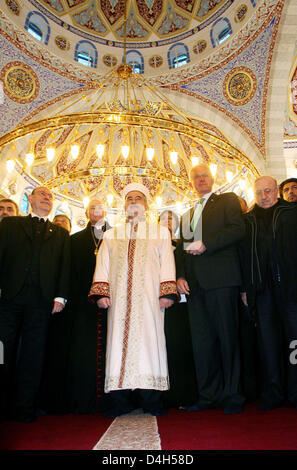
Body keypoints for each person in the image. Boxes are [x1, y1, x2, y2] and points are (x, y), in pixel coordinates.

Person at [89, 183, 178, 417]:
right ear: (125, 204)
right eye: (130, 198)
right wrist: (101, 293)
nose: (134, 201)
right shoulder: (110, 234)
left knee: (151, 345)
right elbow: (103, 265)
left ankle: (151, 400)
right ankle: (120, 401)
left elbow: (168, 262)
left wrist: (167, 292)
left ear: (146, 204)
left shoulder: (160, 232)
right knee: (117, 346)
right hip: (118, 302)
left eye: (139, 198)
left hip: (150, 300)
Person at [175, 164, 245, 414]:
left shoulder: (227, 200)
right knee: (202, 344)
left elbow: (238, 229)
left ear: (212, 179)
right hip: (195, 287)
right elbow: (183, 249)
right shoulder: (185, 215)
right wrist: (180, 275)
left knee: (228, 339)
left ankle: (232, 395)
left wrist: (207, 243)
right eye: (196, 177)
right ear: (191, 182)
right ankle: (208, 396)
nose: (201, 179)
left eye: (204, 175)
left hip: (222, 280)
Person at [0, 186, 70, 422]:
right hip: (8, 298)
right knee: (2, 351)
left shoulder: (60, 234)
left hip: (41, 302)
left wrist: (60, 296)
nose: (47, 198)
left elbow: (64, 266)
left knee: (33, 355)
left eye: (50, 196)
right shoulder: (10, 225)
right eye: (42, 194)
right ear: (29, 199)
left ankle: (24, 407)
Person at [41, 199, 110, 414]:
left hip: (111, 303)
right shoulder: (75, 239)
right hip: (82, 305)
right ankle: (83, 400)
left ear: (105, 211)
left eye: (99, 208)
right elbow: (68, 272)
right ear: (87, 213)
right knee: (82, 351)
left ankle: (111, 401)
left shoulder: (117, 236)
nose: (95, 211)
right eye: (92, 208)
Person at [240, 176, 297, 410]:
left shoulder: (291, 213)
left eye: (268, 191)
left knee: (294, 342)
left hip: (291, 289)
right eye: (259, 192)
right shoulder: (248, 220)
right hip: (261, 291)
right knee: (268, 344)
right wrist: (245, 288)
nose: (264, 196)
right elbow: (242, 258)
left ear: (277, 191)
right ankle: (273, 393)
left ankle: (295, 394)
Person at [159, 210, 198, 409]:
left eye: (170, 220)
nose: (167, 222)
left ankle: (185, 395)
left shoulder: (183, 245)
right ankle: (165, 396)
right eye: (163, 219)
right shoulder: (152, 244)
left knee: (181, 348)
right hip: (159, 305)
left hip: (181, 304)